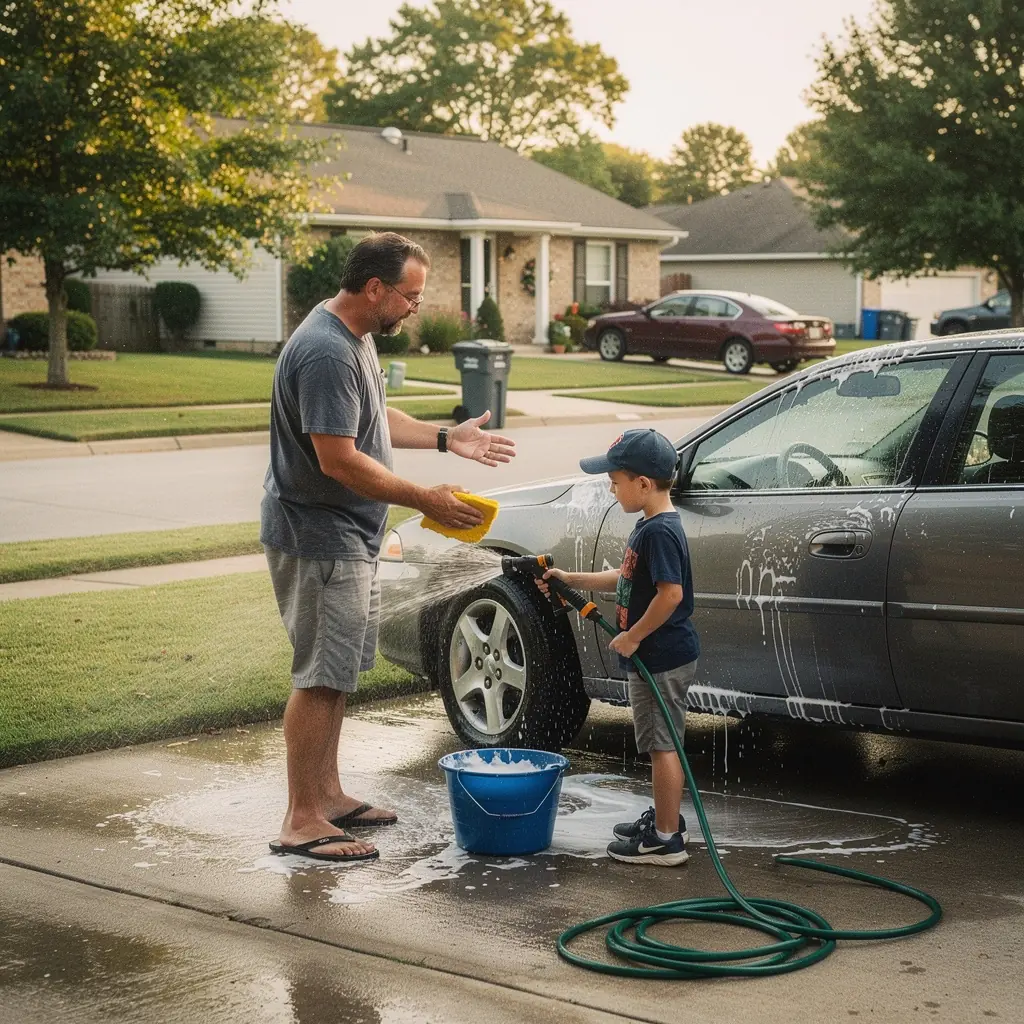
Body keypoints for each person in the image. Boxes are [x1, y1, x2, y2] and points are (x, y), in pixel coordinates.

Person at [261, 232, 516, 864]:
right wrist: (425, 499)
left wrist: (442, 437)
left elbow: (373, 415)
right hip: (318, 535)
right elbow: (338, 458)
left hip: (346, 534)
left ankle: (327, 797)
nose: (414, 309)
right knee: (319, 676)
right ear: (375, 288)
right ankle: (300, 818)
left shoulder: (356, 339)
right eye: (411, 296)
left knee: (338, 670)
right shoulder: (323, 351)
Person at [540, 429, 699, 866]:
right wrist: (573, 579)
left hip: (659, 658)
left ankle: (665, 840)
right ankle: (665, 820)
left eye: (615, 480)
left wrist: (634, 636)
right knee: (659, 743)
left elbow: (671, 594)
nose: (611, 488)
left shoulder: (661, 532)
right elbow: (625, 577)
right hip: (656, 656)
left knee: (662, 746)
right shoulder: (649, 525)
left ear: (643, 484)